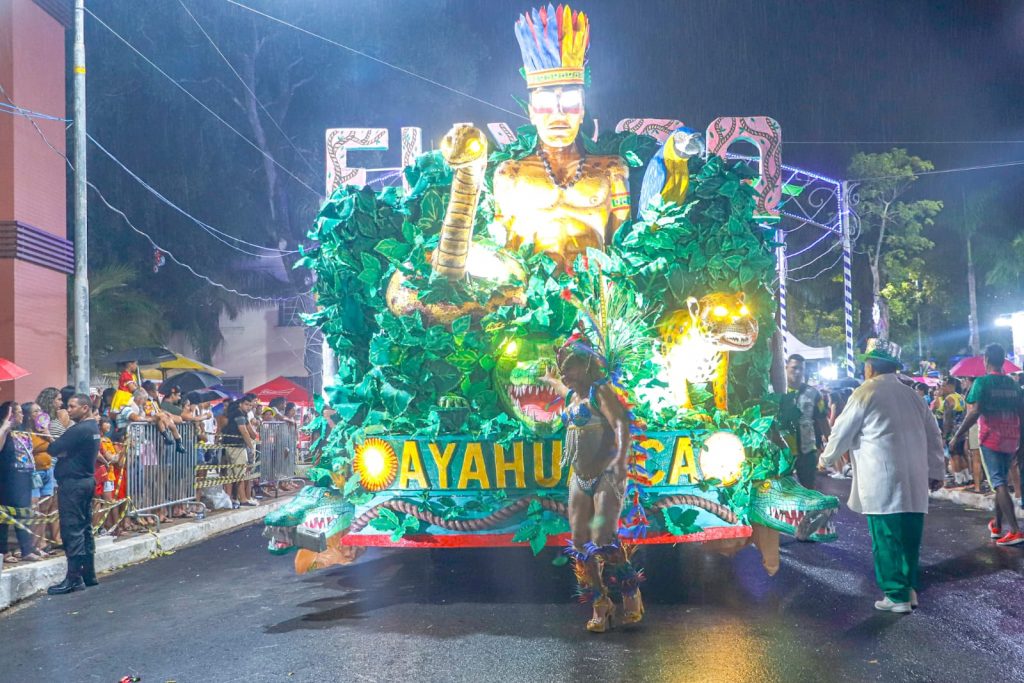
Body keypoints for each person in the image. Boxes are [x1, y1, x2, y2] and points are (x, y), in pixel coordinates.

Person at [820, 340, 945, 613]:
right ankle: (909, 588)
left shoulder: (865, 393)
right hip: (914, 477)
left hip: (882, 477)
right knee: (910, 535)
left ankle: (895, 593)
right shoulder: (913, 395)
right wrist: (936, 470)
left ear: (871, 366)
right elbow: (934, 435)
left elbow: (841, 431)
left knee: (886, 535)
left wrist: (826, 459)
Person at [541, 334, 643, 632]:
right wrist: (551, 381)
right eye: (560, 370)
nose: (563, 375)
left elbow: (622, 425)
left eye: (567, 369)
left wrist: (621, 461)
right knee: (579, 542)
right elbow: (562, 387)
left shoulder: (601, 392)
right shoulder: (572, 394)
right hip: (579, 477)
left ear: (586, 366)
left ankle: (630, 591)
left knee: (602, 538)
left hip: (605, 476)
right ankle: (600, 601)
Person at [951, 344, 1024, 546]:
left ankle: (1016, 530)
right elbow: (1022, 414)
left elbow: (974, 412)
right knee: (998, 481)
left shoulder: (982, 383)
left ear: (986, 360)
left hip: (991, 438)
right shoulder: (1013, 385)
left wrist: (957, 435)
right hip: (1012, 438)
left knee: (998, 482)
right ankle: (998, 525)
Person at [47, 394, 101, 594]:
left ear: (85, 408)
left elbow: (53, 448)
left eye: (72, 406)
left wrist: (61, 448)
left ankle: (74, 578)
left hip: (74, 484)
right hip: (85, 481)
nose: (68, 410)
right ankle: (89, 574)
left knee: (73, 529)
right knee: (85, 527)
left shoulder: (79, 430)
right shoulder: (92, 428)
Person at [0, 402, 43, 564]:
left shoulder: (22, 431)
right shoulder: (5, 431)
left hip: (24, 476)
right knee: (6, 515)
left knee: (24, 513)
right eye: (17, 412)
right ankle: (3, 551)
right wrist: (5, 426)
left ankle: (26, 549)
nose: (21, 415)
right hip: (7, 477)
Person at [781, 354, 830, 490]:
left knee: (809, 490)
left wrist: (829, 443)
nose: (797, 372)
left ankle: (809, 512)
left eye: (801, 369)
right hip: (784, 451)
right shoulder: (777, 392)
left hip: (807, 452)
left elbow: (822, 420)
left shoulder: (813, 393)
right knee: (784, 491)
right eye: (794, 368)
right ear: (786, 368)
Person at [219, 395, 258, 508]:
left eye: (250, 405)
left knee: (231, 475)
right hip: (237, 447)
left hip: (230, 446)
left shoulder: (237, 414)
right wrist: (250, 447)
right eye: (246, 404)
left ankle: (229, 499)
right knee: (240, 474)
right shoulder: (239, 414)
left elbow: (252, 433)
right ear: (240, 404)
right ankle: (243, 499)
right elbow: (245, 432)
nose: (249, 407)